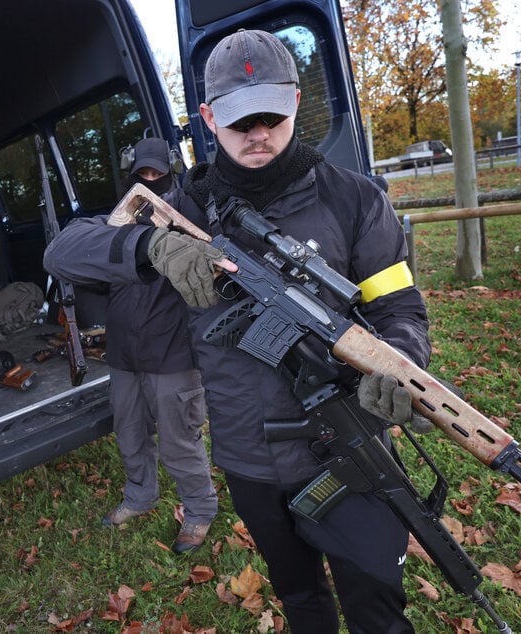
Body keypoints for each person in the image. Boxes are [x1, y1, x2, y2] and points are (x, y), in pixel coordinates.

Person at [44, 29, 430, 632]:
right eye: (238, 119)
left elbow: (399, 308)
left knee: (377, 606)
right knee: (300, 598)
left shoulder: (354, 200)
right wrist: (152, 247)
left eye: (271, 116)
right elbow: (64, 251)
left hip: (351, 439)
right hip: (248, 456)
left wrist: (401, 366)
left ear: (296, 103)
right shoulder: (185, 207)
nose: (257, 133)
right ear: (206, 118)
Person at [46, 137, 218, 554]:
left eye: (158, 173)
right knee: (129, 434)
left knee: (180, 442)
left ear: (172, 170)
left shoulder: (193, 218)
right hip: (124, 353)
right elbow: (67, 255)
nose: (151, 180)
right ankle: (140, 497)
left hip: (173, 354)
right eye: (143, 174)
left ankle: (198, 512)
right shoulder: (120, 219)